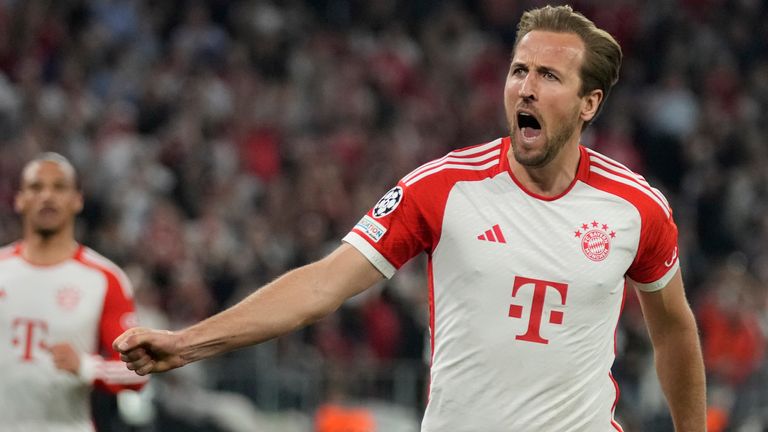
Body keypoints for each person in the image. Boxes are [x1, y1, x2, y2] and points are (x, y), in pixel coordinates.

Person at [115, 5, 706, 431]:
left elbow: (674, 327)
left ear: (589, 103)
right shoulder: (442, 187)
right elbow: (323, 284)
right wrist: (189, 342)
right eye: (518, 70)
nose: (524, 88)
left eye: (548, 76)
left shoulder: (637, 208)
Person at [0, 152, 147, 431]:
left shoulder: (104, 278)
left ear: (77, 200)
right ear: (19, 199)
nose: (47, 196)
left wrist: (85, 367)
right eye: (36, 187)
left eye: (59, 187)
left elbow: (137, 374)